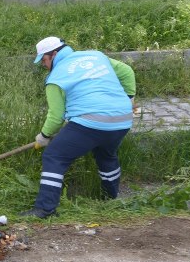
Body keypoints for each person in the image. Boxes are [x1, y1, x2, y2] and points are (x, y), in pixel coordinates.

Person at [20, 36, 137, 219]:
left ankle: (45, 209)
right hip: (122, 119)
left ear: (54, 54)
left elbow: (56, 116)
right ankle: (112, 198)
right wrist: (129, 97)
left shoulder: (55, 77)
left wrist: (44, 136)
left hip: (90, 121)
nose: (43, 64)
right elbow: (127, 71)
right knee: (106, 154)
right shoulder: (96, 56)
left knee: (54, 155)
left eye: (43, 59)